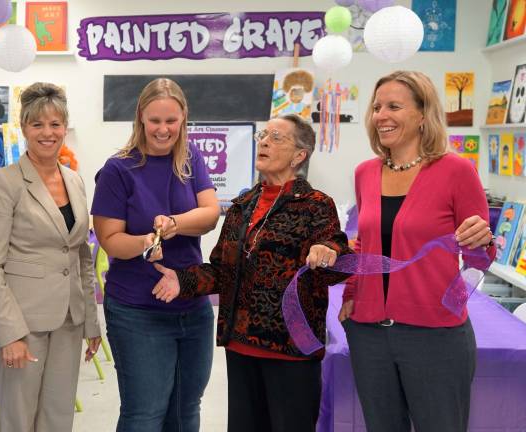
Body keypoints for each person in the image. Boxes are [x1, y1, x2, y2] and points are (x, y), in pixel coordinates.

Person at [152, 113, 352, 432]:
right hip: (241, 343)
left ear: (299, 155)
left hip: (291, 348)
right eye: (264, 136)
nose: (265, 142)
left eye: (277, 137)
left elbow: (337, 255)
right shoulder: (242, 204)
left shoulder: (315, 204)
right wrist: (183, 280)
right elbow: (222, 271)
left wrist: (330, 251)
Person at [338, 70, 496, 432]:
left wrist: (480, 248)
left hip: (436, 338)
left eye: (394, 106)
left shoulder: (457, 170)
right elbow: (365, 243)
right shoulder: (365, 172)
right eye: (377, 107)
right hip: (369, 335)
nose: (381, 115)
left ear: (423, 114)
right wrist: (351, 292)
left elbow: (477, 260)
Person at [91, 77, 220, 431]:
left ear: (184, 119)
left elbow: (209, 215)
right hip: (137, 312)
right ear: (140, 119)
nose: (163, 130)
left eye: (171, 121)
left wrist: (175, 223)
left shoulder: (191, 159)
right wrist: (147, 241)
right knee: (145, 413)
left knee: (185, 408)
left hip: (192, 308)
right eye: (155, 121)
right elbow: (109, 239)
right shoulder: (118, 169)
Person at [0, 82, 101, 432]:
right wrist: (9, 333)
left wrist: (91, 321)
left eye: (55, 124)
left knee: (58, 418)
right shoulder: (2, 183)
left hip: (69, 319)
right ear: (24, 128)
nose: (48, 133)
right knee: (19, 420)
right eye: (38, 125)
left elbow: (80, 257)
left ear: (65, 127)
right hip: (22, 323)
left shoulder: (75, 180)